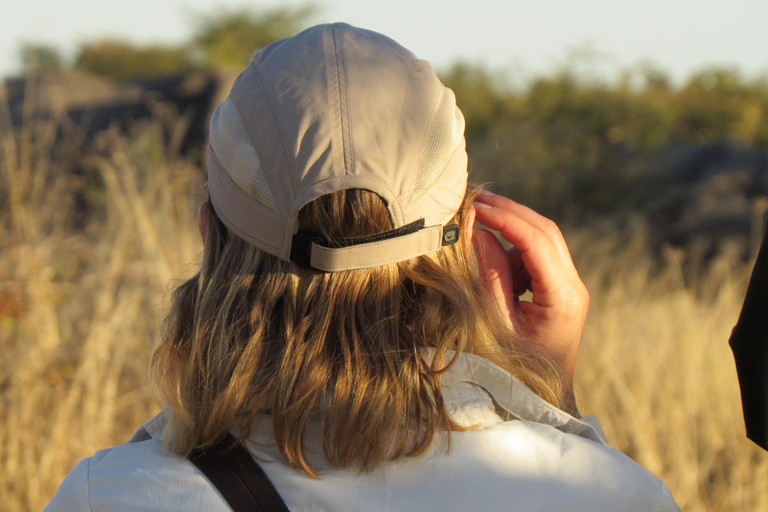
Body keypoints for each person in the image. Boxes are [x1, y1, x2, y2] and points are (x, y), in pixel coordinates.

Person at [44, 23, 680, 511]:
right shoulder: (605, 495)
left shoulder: (111, 496)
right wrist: (550, 394)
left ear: (211, 237)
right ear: (468, 236)